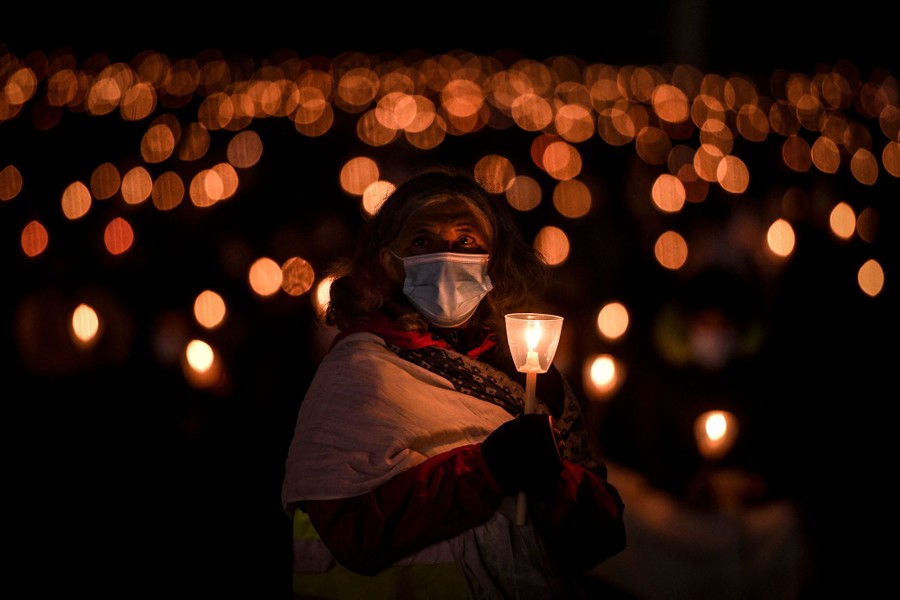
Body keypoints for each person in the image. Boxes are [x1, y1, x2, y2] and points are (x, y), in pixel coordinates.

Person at [281, 165, 626, 599]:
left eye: (466, 240)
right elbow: (351, 533)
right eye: (423, 241)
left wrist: (549, 481)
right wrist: (484, 470)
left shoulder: (524, 375)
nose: (447, 253)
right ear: (392, 262)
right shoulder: (358, 371)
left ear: (492, 262)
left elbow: (600, 535)